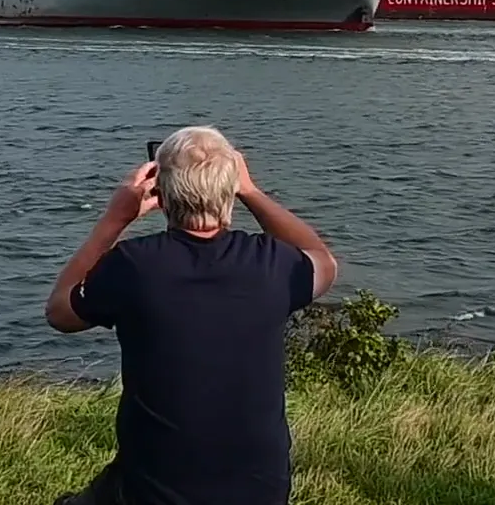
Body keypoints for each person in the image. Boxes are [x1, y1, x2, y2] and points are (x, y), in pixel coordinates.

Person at [43, 126, 338, 505]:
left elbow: (60, 312)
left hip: (154, 491)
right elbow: (323, 262)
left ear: (162, 196)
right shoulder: (273, 264)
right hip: (260, 490)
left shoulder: (134, 265)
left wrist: (115, 219)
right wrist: (251, 191)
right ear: (229, 188)